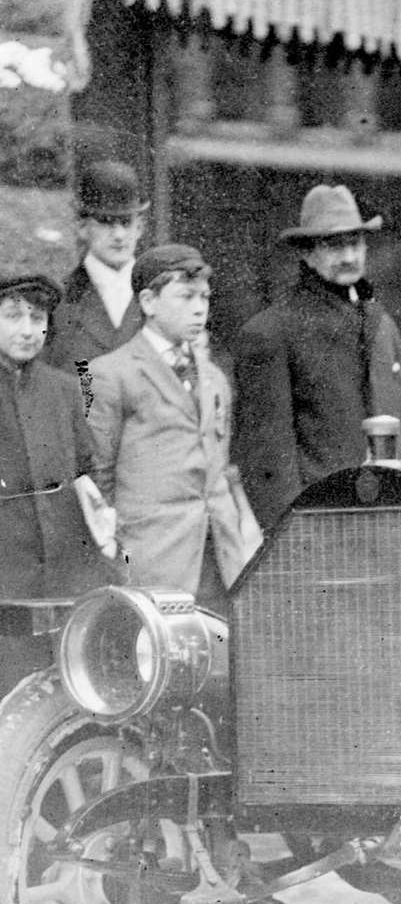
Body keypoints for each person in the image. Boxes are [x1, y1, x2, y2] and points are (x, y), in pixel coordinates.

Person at [231, 183, 401, 530]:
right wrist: (292, 536)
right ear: (307, 254)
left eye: (355, 243)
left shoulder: (379, 323)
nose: (349, 257)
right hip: (325, 522)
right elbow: (267, 459)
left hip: (399, 518)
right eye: (334, 245)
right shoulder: (271, 332)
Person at [86, 245, 261, 610]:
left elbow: (219, 466)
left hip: (219, 558)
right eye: (186, 297)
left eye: (205, 298)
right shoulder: (110, 374)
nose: (200, 308)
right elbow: (98, 482)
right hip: (152, 562)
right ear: (149, 302)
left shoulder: (214, 377)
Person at [0, 272, 118, 695]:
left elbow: (86, 472)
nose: (28, 330)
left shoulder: (67, 391)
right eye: (13, 316)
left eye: (37, 317)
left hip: (62, 574)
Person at [43, 160, 148, 387]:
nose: (119, 235)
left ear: (139, 227)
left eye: (126, 222)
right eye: (105, 221)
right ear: (81, 227)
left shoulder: (161, 297)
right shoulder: (56, 304)